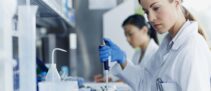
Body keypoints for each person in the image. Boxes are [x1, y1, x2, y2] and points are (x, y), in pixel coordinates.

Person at [99, 0, 211, 90]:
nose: (150, 18)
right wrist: (122, 60)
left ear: (176, 2)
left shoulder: (192, 48)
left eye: (156, 8)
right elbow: (145, 83)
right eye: (146, 12)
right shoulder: (167, 46)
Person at [95, 14, 159, 83]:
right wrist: (110, 79)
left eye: (130, 34)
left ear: (144, 30)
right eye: (126, 36)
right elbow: (133, 77)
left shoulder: (156, 53)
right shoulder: (137, 54)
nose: (127, 39)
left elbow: (146, 82)